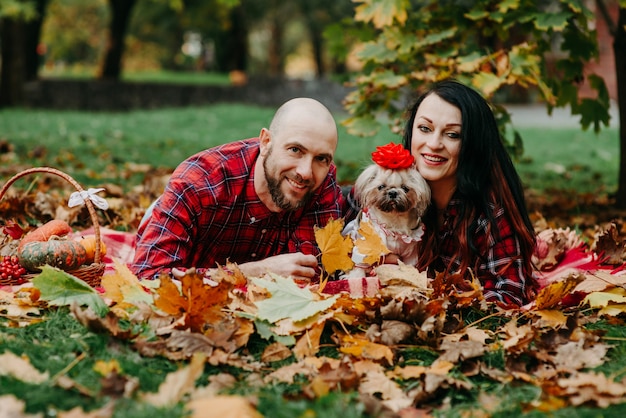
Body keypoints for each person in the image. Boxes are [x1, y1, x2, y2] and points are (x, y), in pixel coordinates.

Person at [131, 97, 343, 281]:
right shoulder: (198, 182)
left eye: (321, 158)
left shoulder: (322, 181)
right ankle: (156, 212)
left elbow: (310, 275)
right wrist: (256, 272)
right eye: (295, 150)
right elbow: (149, 277)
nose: (306, 172)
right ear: (266, 141)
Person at [402, 79, 537, 306]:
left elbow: (510, 293)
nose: (434, 144)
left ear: (473, 144)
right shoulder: (389, 191)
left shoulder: (490, 213)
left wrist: (440, 300)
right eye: (424, 129)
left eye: (453, 135)